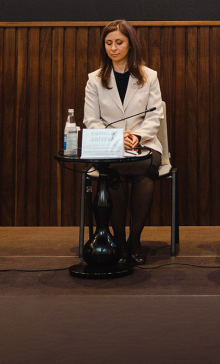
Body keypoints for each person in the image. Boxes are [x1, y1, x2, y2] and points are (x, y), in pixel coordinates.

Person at [83, 19, 164, 265]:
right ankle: (118, 240)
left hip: (144, 144)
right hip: (109, 146)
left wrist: (136, 137)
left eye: (119, 42)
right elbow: (91, 120)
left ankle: (135, 240)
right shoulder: (94, 79)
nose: (113, 48)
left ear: (130, 44)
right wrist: (117, 139)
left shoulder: (149, 76)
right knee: (112, 172)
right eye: (108, 43)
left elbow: (155, 116)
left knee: (145, 171)